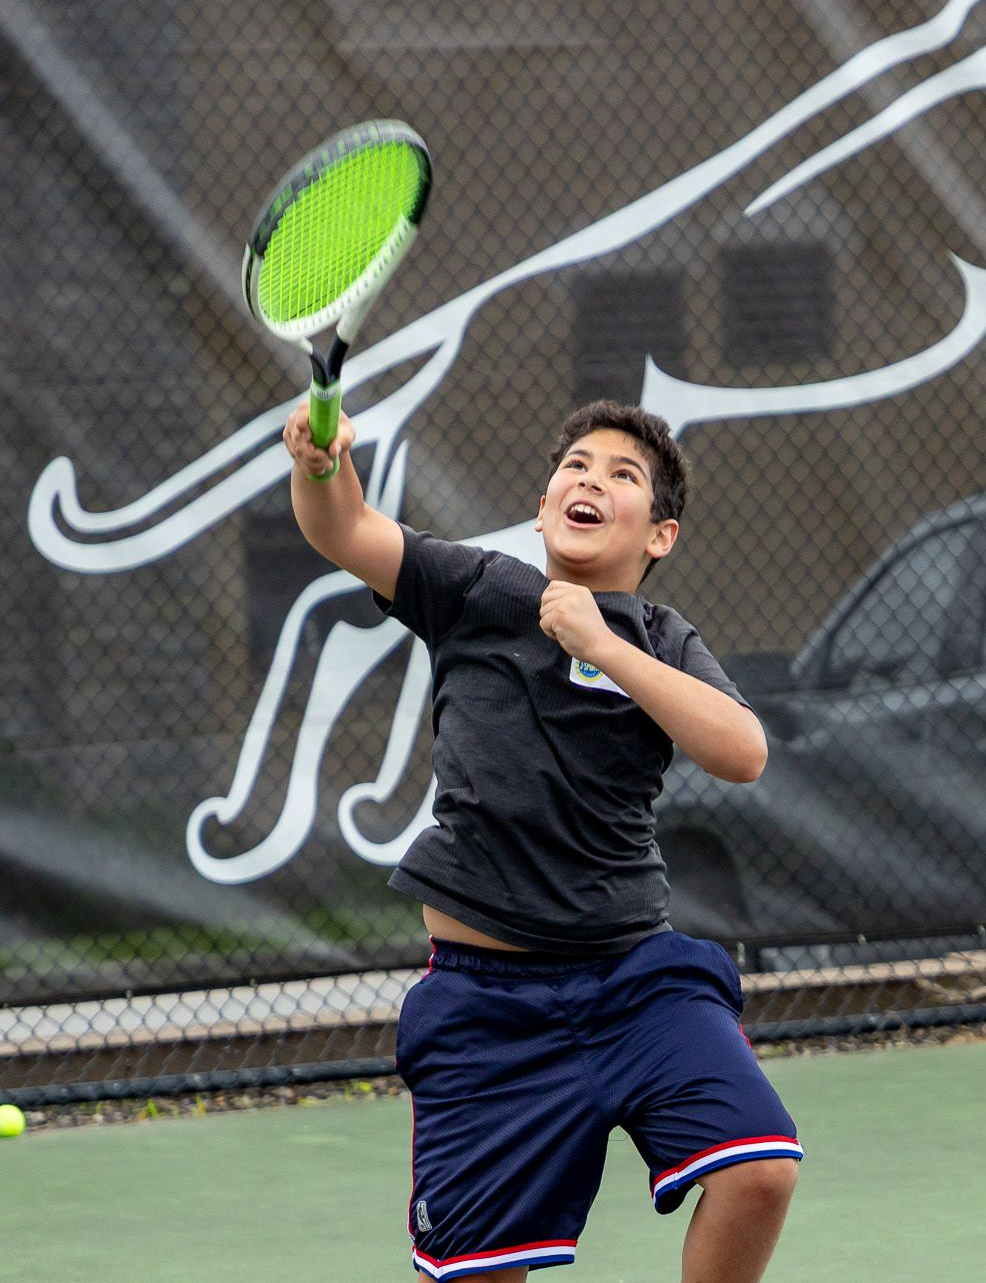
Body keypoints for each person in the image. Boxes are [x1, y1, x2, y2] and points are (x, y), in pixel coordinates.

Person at [283, 398, 801, 1283]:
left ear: (659, 536)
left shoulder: (665, 638)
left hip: (637, 982)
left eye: (622, 475)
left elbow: (741, 749)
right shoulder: (478, 589)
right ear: (544, 504)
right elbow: (347, 530)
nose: (592, 479)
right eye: (576, 466)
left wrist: (605, 642)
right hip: (489, 1009)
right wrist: (319, 467)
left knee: (759, 1169)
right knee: (480, 1272)